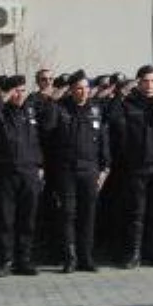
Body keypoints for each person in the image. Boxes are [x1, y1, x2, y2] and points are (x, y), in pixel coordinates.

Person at [0, 75, 52, 277]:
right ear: (8, 93)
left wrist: (40, 164)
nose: (19, 94)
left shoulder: (30, 111)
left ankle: (24, 260)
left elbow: (45, 136)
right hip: (6, 173)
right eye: (15, 90)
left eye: (22, 90)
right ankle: (5, 260)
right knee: (6, 219)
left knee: (28, 219)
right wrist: (0, 98)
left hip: (29, 172)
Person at [108, 64, 153, 268]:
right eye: (146, 81)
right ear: (138, 82)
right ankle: (134, 253)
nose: (150, 85)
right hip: (137, 166)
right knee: (136, 213)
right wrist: (120, 95)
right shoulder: (129, 104)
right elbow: (113, 120)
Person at [49, 71, 109, 273]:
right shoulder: (60, 109)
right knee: (68, 214)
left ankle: (86, 257)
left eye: (86, 88)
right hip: (67, 171)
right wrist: (51, 101)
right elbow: (48, 130)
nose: (83, 92)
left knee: (88, 215)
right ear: (71, 90)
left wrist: (104, 168)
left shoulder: (96, 110)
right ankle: (70, 257)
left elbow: (103, 141)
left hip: (90, 170)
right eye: (79, 88)